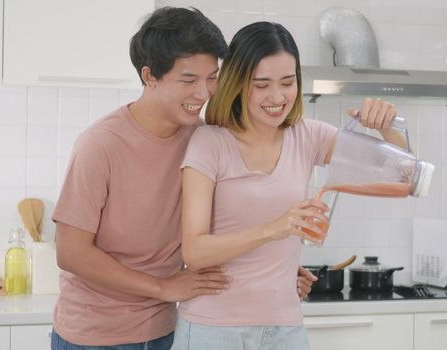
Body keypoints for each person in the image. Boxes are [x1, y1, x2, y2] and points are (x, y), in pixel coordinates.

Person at [50, 8, 316, 350]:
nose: (204, 93)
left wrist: (269, 274)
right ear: (150, 76)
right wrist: (163, 288)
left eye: (212, 77)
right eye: (189, 80)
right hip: (94, 336)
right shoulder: (100, 144)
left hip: (164, 330)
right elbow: (71, 253)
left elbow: (214, 232)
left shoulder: (202, 139)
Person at [173, 21, 406, 349]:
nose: (277, 97)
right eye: (262, 84)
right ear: (238, 83)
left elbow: (402, 176)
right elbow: (195, 252)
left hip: (285, 329)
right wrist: (275, 228)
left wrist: (389, 126)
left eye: (287, 82)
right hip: (214, 330)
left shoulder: (309, 136)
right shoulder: (210, 142)